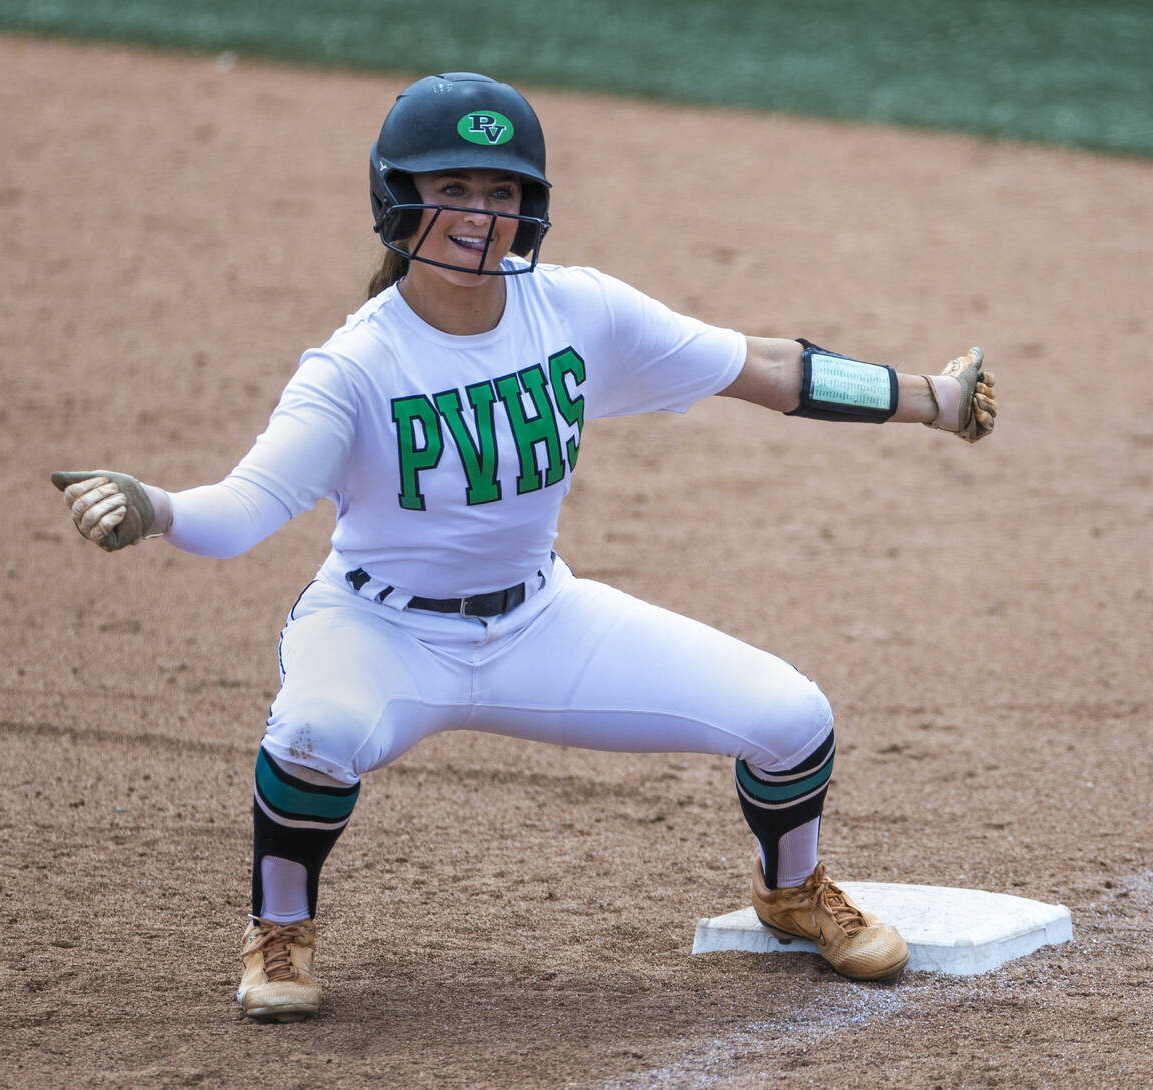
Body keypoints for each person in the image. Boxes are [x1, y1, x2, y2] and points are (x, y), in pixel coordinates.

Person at [52, 72, 997, 1022]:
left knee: (793, 718)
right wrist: (157, 506)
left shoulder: (575, 310)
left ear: (530, 208)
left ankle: (789, 893)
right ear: (397, 198)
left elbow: (762, 367)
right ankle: (280, 930)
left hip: (540, 617)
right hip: (380, 629)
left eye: (502, 192)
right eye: (451, 188)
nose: (478, 215)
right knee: (315, 736)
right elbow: (244, 508)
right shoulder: (356, 365)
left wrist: (933, 399)